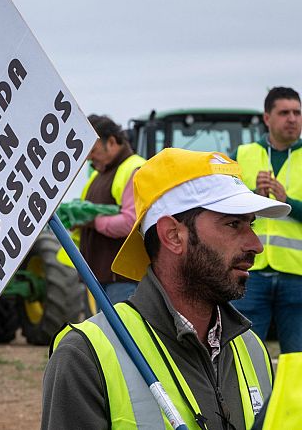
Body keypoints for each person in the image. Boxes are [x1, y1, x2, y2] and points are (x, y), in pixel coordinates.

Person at [42, 148, 283, 429]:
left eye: (251, 224)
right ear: (173, 235)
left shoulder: (253, 350)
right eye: (233, 224)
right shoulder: (86, 356)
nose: (256, 245)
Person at [231, 86, 302, 353]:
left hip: (297, 274)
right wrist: (254, 197)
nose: (292, 119)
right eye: (284, 113)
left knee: (298, 358)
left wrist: (287, 203)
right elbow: (225, 208)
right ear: (267, 118)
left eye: (297, 112)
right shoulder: (242, 154)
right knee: (244, 352)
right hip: (250, 270)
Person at [80, 114, 145, 304]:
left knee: (120, 323)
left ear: (112, 142)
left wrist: (93, 222)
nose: (89, 158)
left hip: (122, 279)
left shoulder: (134, 169)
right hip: (102, 276)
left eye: (93, 150)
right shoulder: (98, 175)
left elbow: (131, 222)